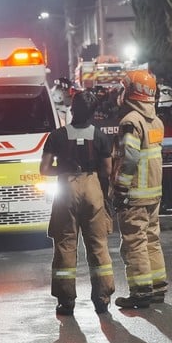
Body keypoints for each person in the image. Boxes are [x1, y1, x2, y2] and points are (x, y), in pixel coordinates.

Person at [40, 91, 115, 316]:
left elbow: (44, 169)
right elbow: (108, 170)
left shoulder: (56, 136)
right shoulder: (101, 137)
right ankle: (102, 299)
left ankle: (66, 301)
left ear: (72, 110)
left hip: (66, 188)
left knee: (65, 245)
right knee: (98, 245)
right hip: (92, 187)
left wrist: (63, 169)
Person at [111, 69, 167, 309]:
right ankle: (157, 288)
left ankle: (141, 292)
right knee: (152, 240)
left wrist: (121, 188)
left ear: (133, 92)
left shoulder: (130, 122)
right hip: (154, 192)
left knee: (134, 242)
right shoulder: (156, 121)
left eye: (124, 89)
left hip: (135, 195)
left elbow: (130, 158)